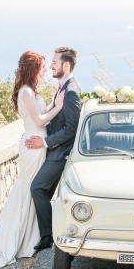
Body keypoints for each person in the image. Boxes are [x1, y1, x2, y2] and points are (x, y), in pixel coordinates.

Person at [0, 51, 65, 269]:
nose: (44, 70)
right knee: (27, 190)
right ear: (33, 69)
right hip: (33, 146)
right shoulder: (26, 92)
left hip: (36, 143)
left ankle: (31, 237)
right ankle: (14, 240)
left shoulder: (30, 92)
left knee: (31, 191)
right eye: (41, 66)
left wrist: (52, 103)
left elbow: (39, 114)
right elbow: (39, 121)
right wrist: (58, 107)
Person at [25, 47, 82, 251]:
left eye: (55, 62)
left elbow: (71, 129)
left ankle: (48, 236)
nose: (51, 65)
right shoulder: (62, 87)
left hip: (60, 153)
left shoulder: (71, 91)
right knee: (41, 191)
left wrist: (45, 142)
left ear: (66, 65)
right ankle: (45, 233)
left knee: (38, 188)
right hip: (53, 151)